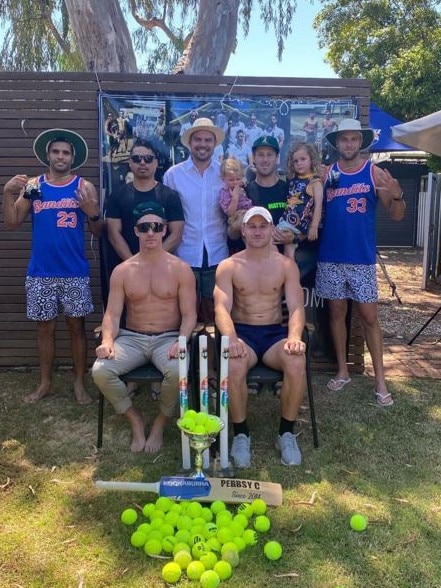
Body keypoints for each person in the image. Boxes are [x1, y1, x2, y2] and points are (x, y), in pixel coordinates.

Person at [2, 128, 102, 404]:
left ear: (73, 158)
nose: (60, 156)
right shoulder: (33, 186)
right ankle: (45, 383)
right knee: (44, 328)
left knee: (76, 328)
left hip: (74, 271)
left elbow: (98, 231)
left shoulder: (83, 186)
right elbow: (12, 223)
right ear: (48, 154)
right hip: (41, 271)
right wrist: (8, 193)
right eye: (56, 152)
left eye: (66, 153)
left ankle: (79, 384)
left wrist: (92, 212)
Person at [92, 202, 197, 453]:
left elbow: (190, 314)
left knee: (179, 368)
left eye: (156, 227)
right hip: (131, 339)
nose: (150, 232)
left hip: (168, 338)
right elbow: (113, 314)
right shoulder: (123, 271)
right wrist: (107, 340)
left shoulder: (180, 269)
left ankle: (160, 422)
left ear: (164, 230)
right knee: (100, 371)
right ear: (136, 231)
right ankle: (135, 419)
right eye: (144, 227)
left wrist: (180, 341)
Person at [316, 119, 406, 406]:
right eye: (344, 139)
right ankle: (343, 371)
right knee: (336, 315)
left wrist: (397, 193)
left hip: (361, 259)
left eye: (354, 139)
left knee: (369, 318)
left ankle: (380, 381)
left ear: (361, 142)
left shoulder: (373, 172)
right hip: (330, 257)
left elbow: (397, 215)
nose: (349, 144)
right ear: (337, 143)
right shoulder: (328, 174)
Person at [214, 206, 306, 468]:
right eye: (251, 226)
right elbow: (221, 307)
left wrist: (295, 335)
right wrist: (230, 338)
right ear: (242, 230)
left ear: (270, 229)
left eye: (262, 226)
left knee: (296, 360)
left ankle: (286, 433)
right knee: (232, 364)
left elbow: (297, 306)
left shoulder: (286, 265)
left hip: (274, 334)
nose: (257, 231)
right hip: (243, 333)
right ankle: (241, 434)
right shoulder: (228, 265)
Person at [163, 117, 226, 324]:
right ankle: (185, 356)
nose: (203, 144)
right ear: (190, 143)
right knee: (183, 313)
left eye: (208, 140)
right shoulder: (173, 175)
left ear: (214, 144)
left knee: (214, 313)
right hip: (184, 253)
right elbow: (167, 217)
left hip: (217, 254)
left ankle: (215, 356)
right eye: (198, 139)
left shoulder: (224, 173)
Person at [105, 140, 184, 263]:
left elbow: (176, 234)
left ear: (156, 163)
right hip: (127, 268)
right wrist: (134, 263)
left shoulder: (170, 196)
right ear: (130, 163)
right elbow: (114, 234)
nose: (142, 162)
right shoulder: (117, 196)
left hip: (162, 267)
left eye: (148, 158)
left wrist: (153, 259)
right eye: (137, 159)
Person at [277, 142, 323, 260]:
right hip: (287, 219)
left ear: (311, 159)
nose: (299, 163)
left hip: (297, 223)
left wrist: (314, 226)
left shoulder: (315, 182)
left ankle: (289, 275)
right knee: (287, 252)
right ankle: (288, 274)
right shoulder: (293, 180)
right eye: (296, 161)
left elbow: (318, 205)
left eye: (303, 159)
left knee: (269, 239)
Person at [219, 157, 252, 240]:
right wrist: (235, 197)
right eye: (231, 180)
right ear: (223, 179)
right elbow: (230, 213)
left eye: (238, 179)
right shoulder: (225, 193)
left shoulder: (242, 187)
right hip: (236, 218)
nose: (235, 182)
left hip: (248, 212)